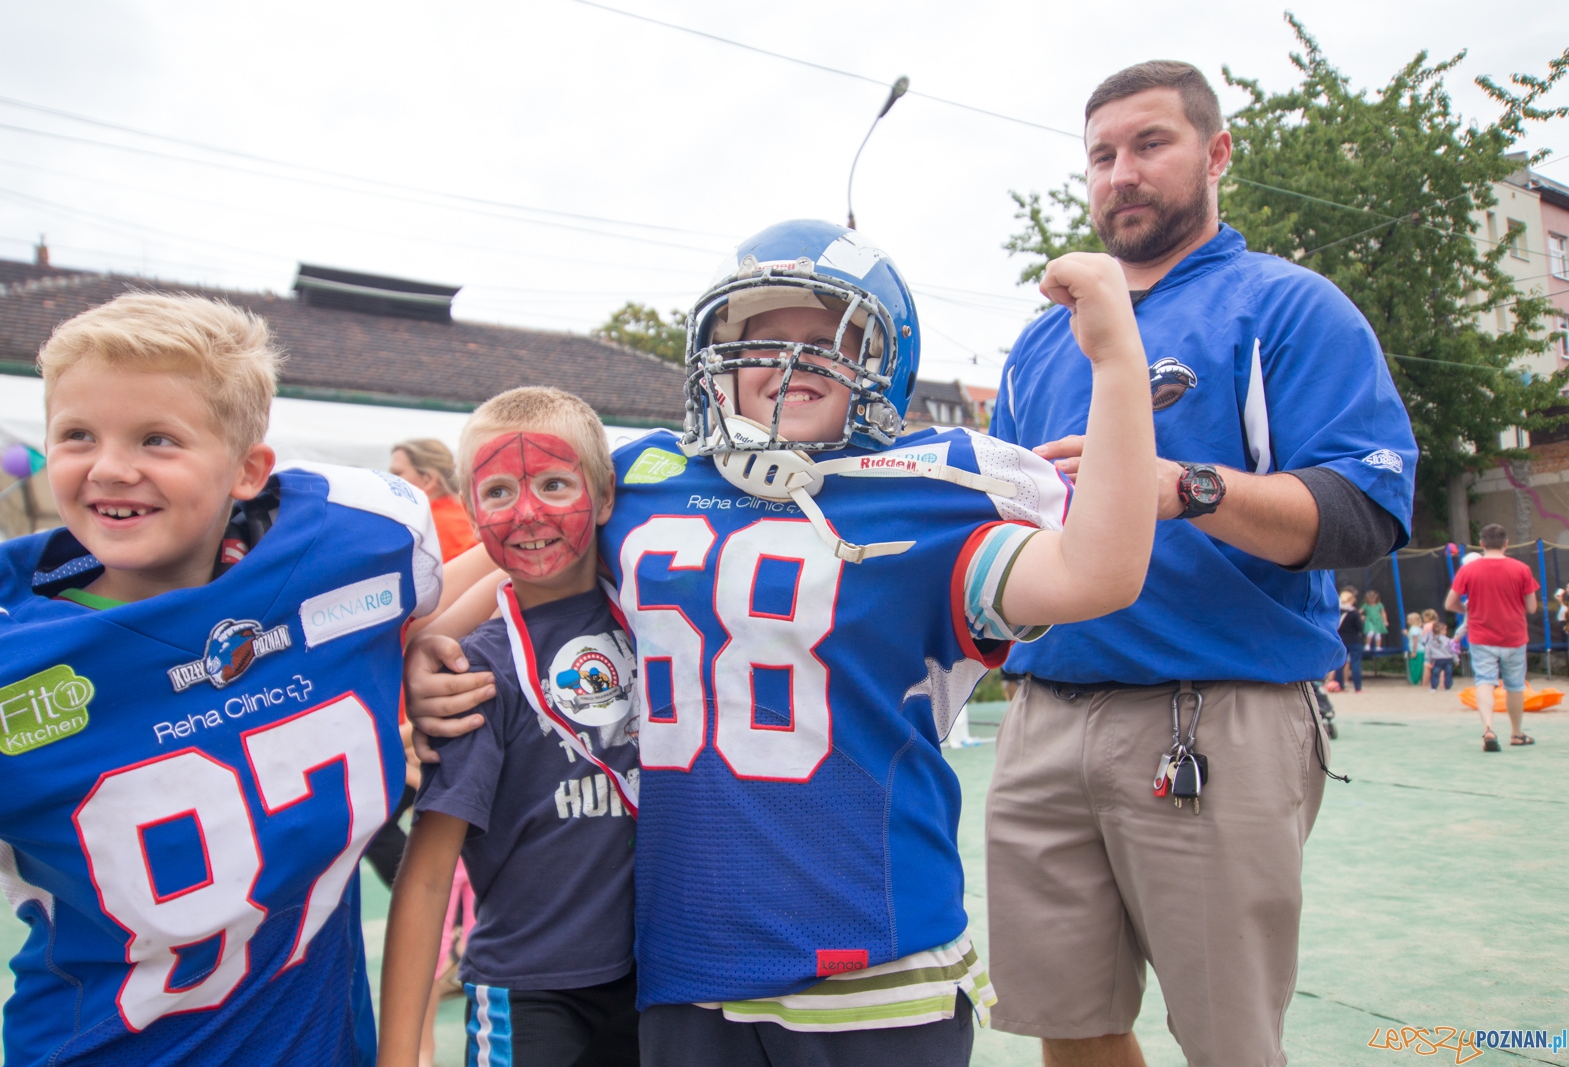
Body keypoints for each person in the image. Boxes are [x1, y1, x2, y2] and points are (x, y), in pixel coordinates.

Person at [407, 220, 1160, 1066]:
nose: (792, 360)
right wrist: (423, 652)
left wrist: (1115, 363)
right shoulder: (649, 475)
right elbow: (503, 561)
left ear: (885, 359)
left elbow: (1101, 573)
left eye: (826, 337)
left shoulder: (928, 489)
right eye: (762, 337)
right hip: (686, 958)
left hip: (872, 956)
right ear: (711, 354)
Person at [985, 61, 1418, 1067]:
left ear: (1216, 153)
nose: (1120, 173)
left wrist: (1184, 486)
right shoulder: (1039, 344)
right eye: (1101, 156)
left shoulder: (1287, 305)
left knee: (1227, 1039)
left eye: (1149, 145)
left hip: (1215, 712)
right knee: (1069, 1020)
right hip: (1045, 715)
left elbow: (1367, 511)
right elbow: (1002, 524)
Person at [0, 292, 442, 1066]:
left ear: (251, 469)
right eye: (77, 434)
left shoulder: (359, 538)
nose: (111, 467)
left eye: (158, 439)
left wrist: (422, 647)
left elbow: (439, 596)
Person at [379, 388, 640, 1067]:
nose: (528, 510)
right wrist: (398, 1053)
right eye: (497, 492)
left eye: (555, 483)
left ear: (606, 496)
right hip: (530, 991)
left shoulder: (661, 615)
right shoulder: (472, 671)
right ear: (469, 509)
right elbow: (429, 873)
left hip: (666, 978)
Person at [1447, 524, 1539, 751]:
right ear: (1506, 543)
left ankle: (1488, 728)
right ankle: (1517, 733)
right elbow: (1532, 607)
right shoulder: (1522, 569)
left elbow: (1450, 603)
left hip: (1481, 635)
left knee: (1485, 681)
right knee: (1515, 686)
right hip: (1514, 636)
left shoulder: (1468, 570)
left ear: (1481, 543)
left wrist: (1470, 611)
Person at [391, 438, 478, 562]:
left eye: (397, 474)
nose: (388, 481)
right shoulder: (467, 516)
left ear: (428, 479)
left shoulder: (427, 526)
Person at [1335, 587, 1364, 692]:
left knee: (1340, 664)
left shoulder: (1336, 611)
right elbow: (1360, 628)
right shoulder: (1354, 613)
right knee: (1355, 663)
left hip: (1341, 640)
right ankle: (1358, 687)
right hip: (1354, 640)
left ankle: (1340, 685)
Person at [1426, 622, 1457, 690]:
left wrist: (1428, 660)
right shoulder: (1448, 640)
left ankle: (1433, 687)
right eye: (1445, 630)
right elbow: (1453, 650)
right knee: (1448, 673)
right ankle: (1448, 687)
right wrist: (1456, 659)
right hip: (1448, 659)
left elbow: (1428, 651)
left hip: (1437, 659)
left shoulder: (1430, 640)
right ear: (1442, 631)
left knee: (1435, 673)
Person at [1405, 611, 1426, 685]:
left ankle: (1415, 680)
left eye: (1408, 619)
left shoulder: (1413, 629)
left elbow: (1415, 641)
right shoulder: (1418, 629)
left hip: (1417, 650)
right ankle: (1422, 680)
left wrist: (1414, 652)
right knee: (1421, 666)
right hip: (1421, 650)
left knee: (1415, 666)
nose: (1407, 621)